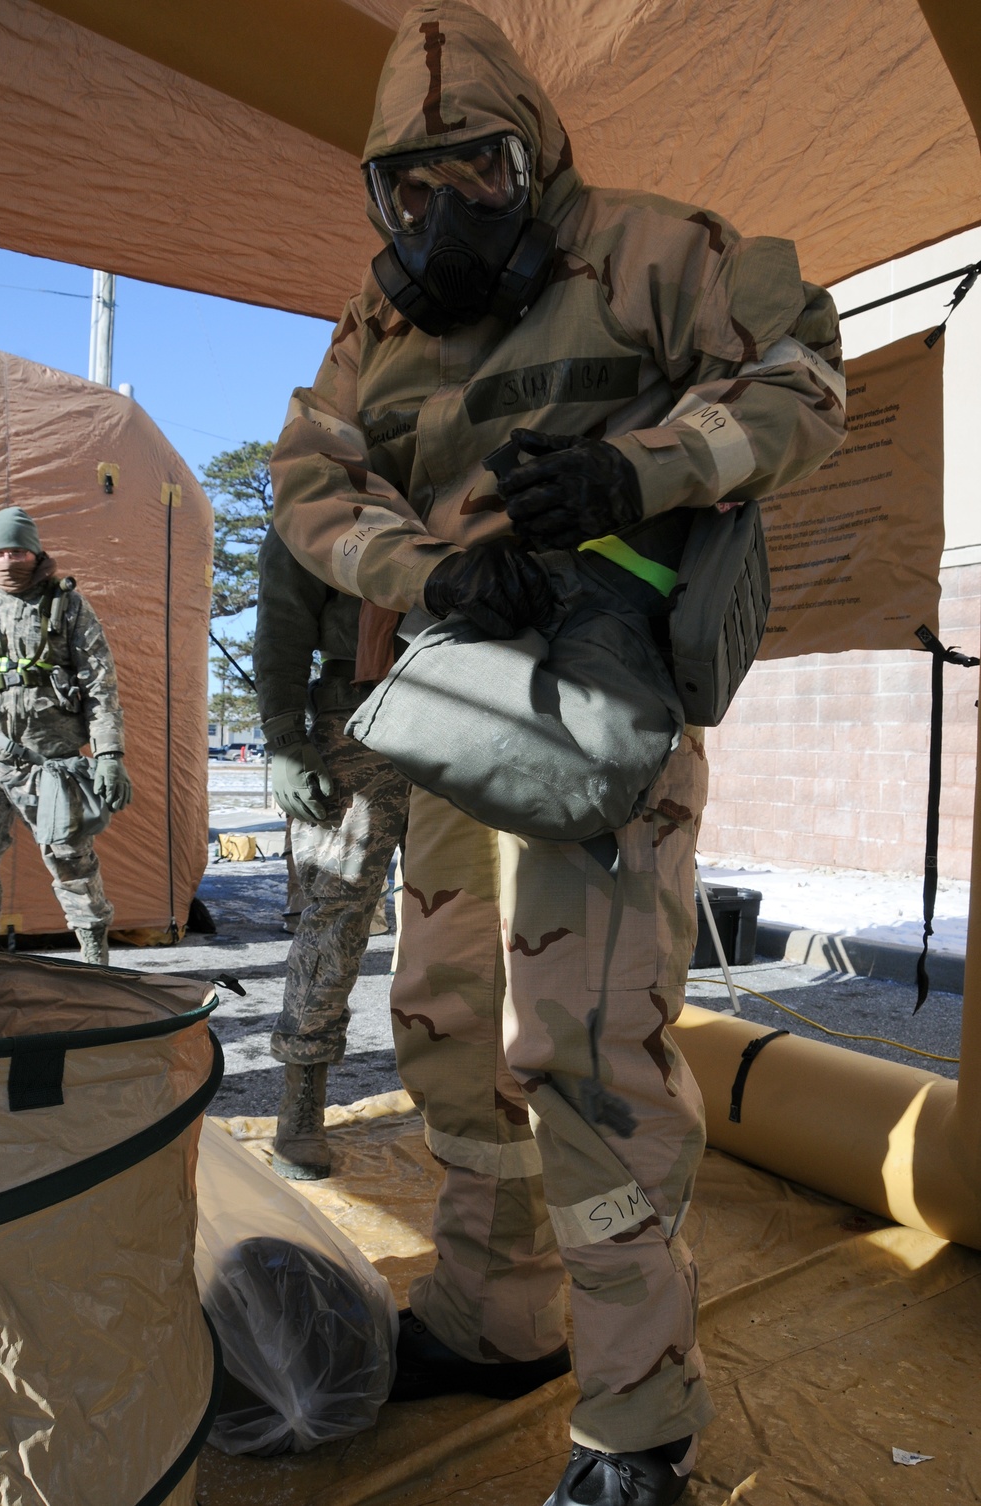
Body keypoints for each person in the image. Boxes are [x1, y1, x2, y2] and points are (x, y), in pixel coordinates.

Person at [270, 6, 846, 1501]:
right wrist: (423, 570)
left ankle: (636, 1419)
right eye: (411, 185)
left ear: (540, 159)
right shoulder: (378, 328)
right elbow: (310, 479)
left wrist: (633, 470)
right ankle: (496, 1315)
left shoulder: (657, 252)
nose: (442, 211)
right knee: (455, 1027)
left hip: (598, 720)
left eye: (480, 170)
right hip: (462, 715)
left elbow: (802, 375)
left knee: (593, 1054)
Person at [254, 524, 409, 1179]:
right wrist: (286, 737)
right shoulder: (327, 498)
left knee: (475, 915)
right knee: (335, 916)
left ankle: (468, 1101)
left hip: (481, 712)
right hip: (358, 718)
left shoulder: (476, 477)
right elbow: (284, 619)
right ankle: (302, 1105)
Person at [0, 507, 131, 964]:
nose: (9, 560)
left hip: (49, 760)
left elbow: (100, 685)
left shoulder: (66, 605)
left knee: (70, 857)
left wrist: (109, 753)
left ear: (36, 551)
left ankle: (93, 950)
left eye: (19, 550)